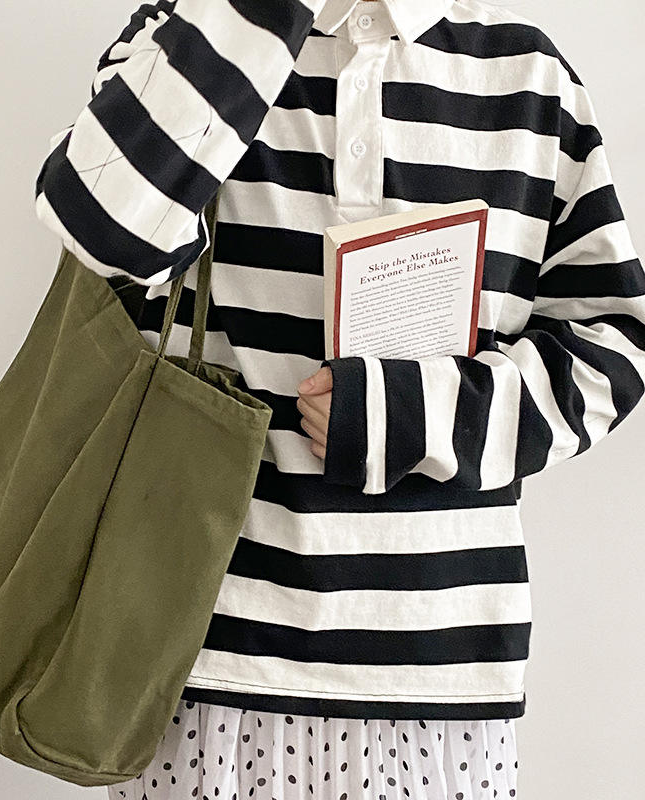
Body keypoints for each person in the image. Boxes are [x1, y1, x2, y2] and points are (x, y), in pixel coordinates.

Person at [33, 0, 645, 797]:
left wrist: (415, 417)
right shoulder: (192, 30)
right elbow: (97, 234)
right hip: (195, 659)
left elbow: (612, 346)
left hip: (435, 676)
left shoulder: (528, 74)